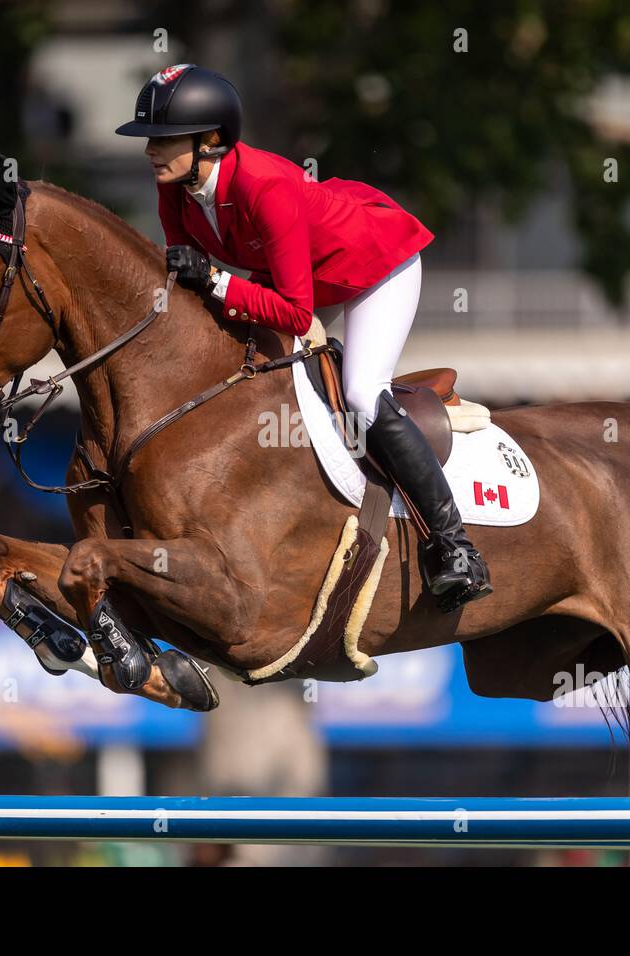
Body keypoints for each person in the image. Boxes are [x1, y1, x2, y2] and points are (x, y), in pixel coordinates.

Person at [115, 64, 491, 608]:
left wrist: (219, 279)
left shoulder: (263, 186)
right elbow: (190, 279)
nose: (151, 150)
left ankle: (455, 546)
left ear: (212, 141)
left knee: (362, 392)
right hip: (293, 275)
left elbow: (294, 313)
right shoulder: (175, 189)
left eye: (164, 139)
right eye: (151, 139)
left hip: (373, 266)